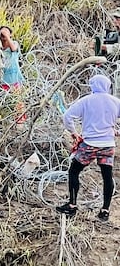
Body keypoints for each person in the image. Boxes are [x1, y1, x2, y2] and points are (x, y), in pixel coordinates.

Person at [56, 75, 120, 221]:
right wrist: (116, 131)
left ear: (93, 86)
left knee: (74, 171)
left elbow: (67, 116)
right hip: (108, 144)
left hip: (89, 145)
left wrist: (74, 132)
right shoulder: (115, 101)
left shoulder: (86, 101)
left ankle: (72, 206)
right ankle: (105, 210)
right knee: (107, 176)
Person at [0, 26, 24, 90]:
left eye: (7, 32)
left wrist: (7, 36)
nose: (4, 33)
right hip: (3, 80)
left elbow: (13, 49)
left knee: (16, 98)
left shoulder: (14, 43)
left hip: (15, 79)